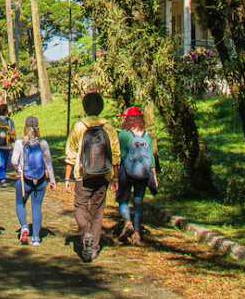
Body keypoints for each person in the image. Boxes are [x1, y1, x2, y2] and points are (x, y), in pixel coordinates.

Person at [64, 91, 120, 263]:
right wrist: (115, 178)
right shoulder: (108, 127)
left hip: (83, 175)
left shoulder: (79, 126)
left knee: (80, 205)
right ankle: (94, 247)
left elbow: (71, 154)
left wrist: (67, 178)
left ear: (85, 107)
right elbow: (116, 155)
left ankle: (84, 231)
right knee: (98, 210)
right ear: (101, 107)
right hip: (103, 174)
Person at [117, 106, 159, 246]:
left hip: (126, 172)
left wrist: (114, 175)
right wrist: (154, 175)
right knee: (138, 202)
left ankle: (127, 222)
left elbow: (121, 155)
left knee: (123, 199)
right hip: (143, 173)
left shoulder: (124, 134)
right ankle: (137, 234)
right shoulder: (147, 135)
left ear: (128, 118)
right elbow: (151, 158)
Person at [11, 116, 56, 245]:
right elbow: (48, 163)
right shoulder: (43, 143)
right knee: (37, 207)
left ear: (25, 128)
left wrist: (19, 170)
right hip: (40, 180)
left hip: (24, 180)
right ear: (38, 128)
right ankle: (36, 238)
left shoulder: (20, 143)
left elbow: (14, 161)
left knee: (20, 203)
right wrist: (52, 180)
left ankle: (24, 226)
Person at [0, 103, 16, 185]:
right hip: (7, 145)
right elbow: (13, 133)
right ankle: (2, 178)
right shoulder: (10, 121)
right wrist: (13, 143)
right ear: (6, 111)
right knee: (4, 161)